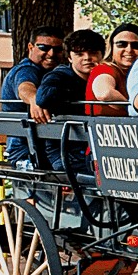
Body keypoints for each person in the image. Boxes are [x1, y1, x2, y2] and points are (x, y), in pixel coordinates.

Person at [34, 28, 106, 174]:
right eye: (79, 54)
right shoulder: (60, 76)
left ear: (101, 55)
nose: (87, 58)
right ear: (70, 58)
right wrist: (82, 95)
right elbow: (43, 97)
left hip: (96, 148)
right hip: (66, 152)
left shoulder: (107, 77)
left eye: (93, 53)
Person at [0, 26, 66, 167]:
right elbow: (25, 87)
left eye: (58, 49)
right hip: (29, 152)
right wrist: (35, 100)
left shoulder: (57, 74)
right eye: (44, 47)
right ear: (31, 47)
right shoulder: (26, 70)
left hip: (50, 149)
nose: (51, 53)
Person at [87, 23, 138, 116]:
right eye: (121, 44)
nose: (129, 50)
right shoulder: (106, 68)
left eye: (136, 45)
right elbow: (104, 93)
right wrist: (135, 108)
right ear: (112, 47)